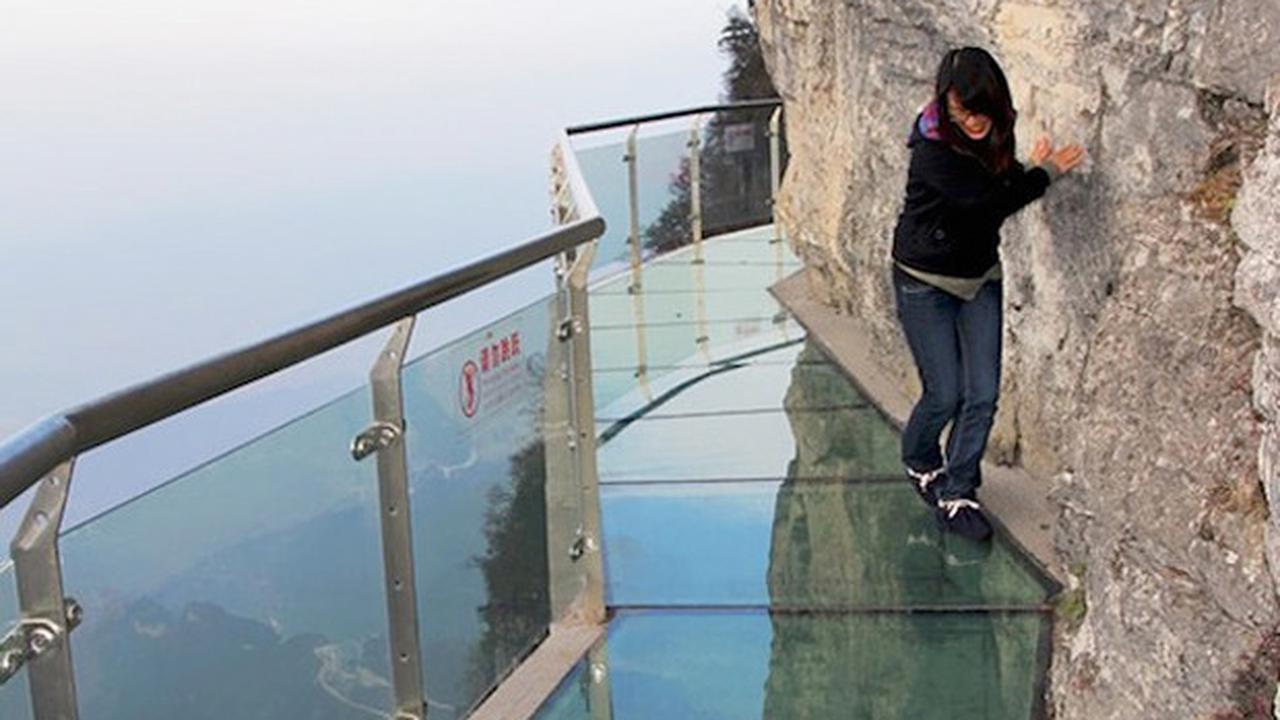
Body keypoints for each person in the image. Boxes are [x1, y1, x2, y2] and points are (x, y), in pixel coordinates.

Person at [890, 47, 1085, 540]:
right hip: (924, 279)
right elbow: (985, 200)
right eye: (962, 113)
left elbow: (997, 181)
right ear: (947, 107)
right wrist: (1043, 174)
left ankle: (957, 492)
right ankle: (919, 457)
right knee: (945, 393)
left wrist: (1023, 171)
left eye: (981, 111)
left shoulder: (998, 127)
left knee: (983, 393)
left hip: (979, 275)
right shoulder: (932, 148)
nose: (973, 122)